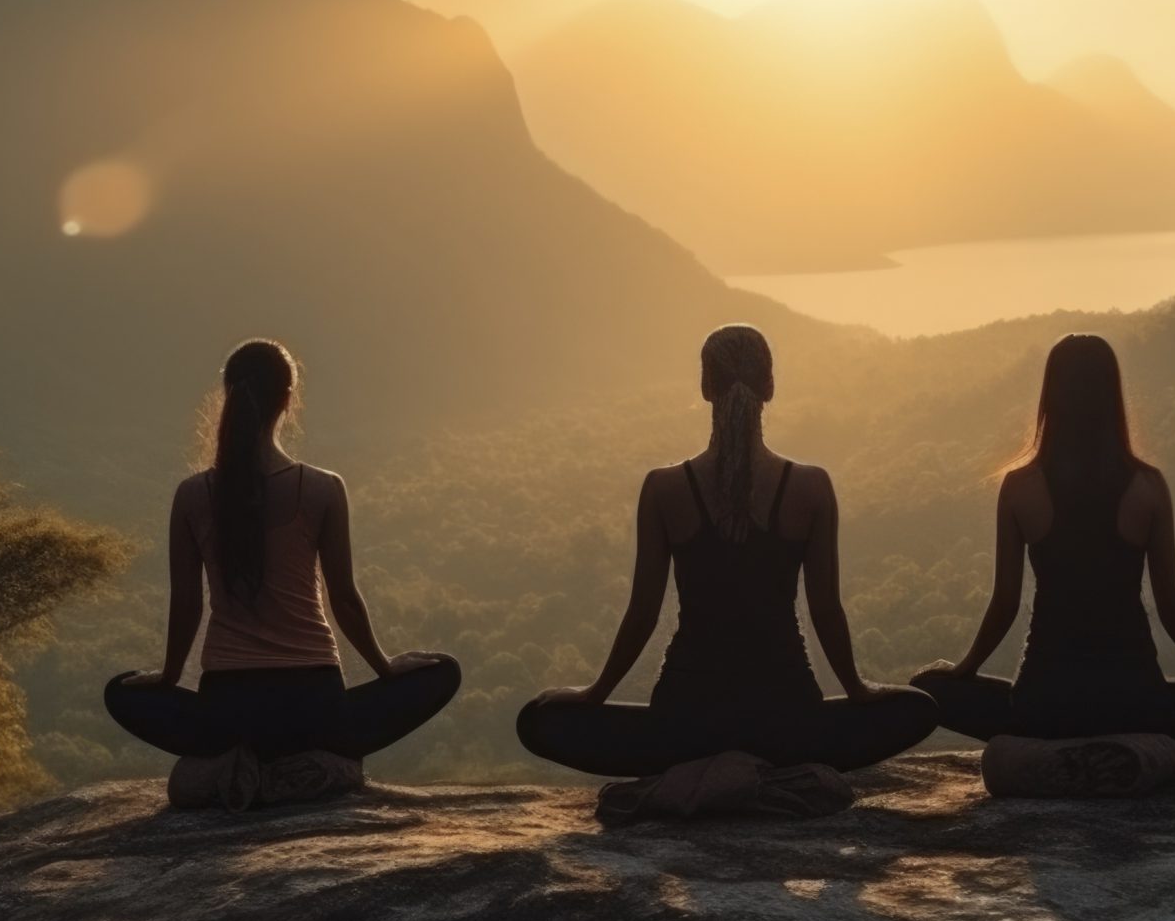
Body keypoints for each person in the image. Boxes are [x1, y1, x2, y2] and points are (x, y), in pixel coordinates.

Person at [516, 324, 936, 777]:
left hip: (685, 724)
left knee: (539, 720)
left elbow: (643, 613)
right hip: (788, 722)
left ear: (705, 388)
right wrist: (858, 690)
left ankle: (694, 757)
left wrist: (595, 694)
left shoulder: (664, 488)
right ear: (769, 387)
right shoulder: (811, 487)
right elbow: (826, 609)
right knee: (918, 708)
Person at [105, 339, 460, 766]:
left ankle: (235, 762)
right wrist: (384, 667)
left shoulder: (192, 495)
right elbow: (343, 598)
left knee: (121, 691)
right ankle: (317, 758)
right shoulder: (323, 487)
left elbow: (186, 604)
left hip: (227, 716)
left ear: (228, 397)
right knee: (442, 672)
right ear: (288, 400)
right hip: (315, 711)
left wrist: (168, 676)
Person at [913, 334, 1175, 746]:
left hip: (1044, 707)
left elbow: (1005, 604)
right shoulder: (1148, 485)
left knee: (929, 686)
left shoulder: (1019, 487)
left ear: (1050, 396)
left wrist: (965, 669)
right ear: (1112, 396)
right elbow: (1170, 604)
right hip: (1136, 705)